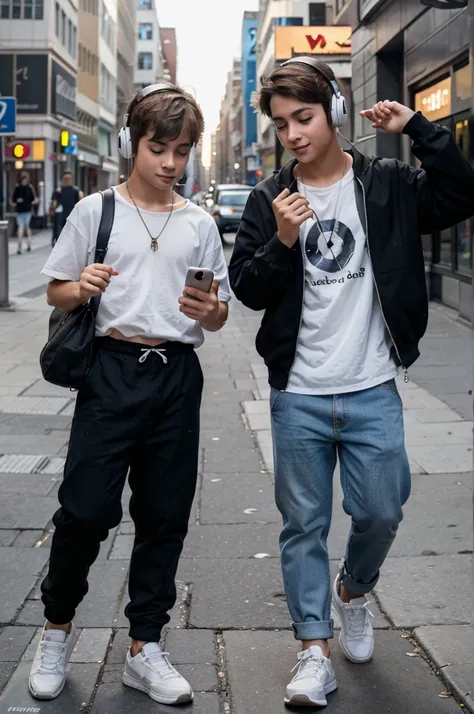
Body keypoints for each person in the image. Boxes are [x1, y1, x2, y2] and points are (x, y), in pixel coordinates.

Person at [229, 57, 474, 708]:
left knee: (381, 510)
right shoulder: (268, 198)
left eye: (304, 118)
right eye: (282, 124)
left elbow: (462, 193)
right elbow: (248, 288)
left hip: (371, 385)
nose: (295, 134)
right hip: (299, 393)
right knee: (302, 524)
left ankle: (354, 592)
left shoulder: (387, 184)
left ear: (334, 112)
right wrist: (282, 240)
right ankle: (312, 652)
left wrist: (421, 126)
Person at [29, 82, 231, 705]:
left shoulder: (198, 223)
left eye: (182, 151)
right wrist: (81, 286)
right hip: (110, 370)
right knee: (85, 510)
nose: (170, 163)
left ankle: (146, 646)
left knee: (164, 515)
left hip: (176, 374)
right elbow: (55, 293)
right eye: (157, 148)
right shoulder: (96, 211)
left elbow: (218, 317)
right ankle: (56, 629)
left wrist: (210, 308)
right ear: (130, 144)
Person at [50, 171, 83, 245]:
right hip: (60, 216)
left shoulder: (75, 190)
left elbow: (81, 202)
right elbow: (54, 204)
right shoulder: (58, 191)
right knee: (59, 232)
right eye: (66, 179)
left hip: (72, 215)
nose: (68, 181)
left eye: (69, 179)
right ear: (62, 180)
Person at [11, 171, 38, 253]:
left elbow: (13, 200)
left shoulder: (17, 187)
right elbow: (34, 199)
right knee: (27, 227)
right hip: (28, 210)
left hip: (20, 210)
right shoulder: (30, 188)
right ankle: (29, 245)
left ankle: (19, 247)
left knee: (20, 228)